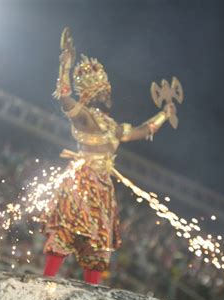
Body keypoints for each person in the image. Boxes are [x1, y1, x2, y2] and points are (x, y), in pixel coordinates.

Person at [41, 28, 179, 284]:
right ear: (96, 94)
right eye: (104, 92)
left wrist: (164, 113)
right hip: (82, 181)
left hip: (103, 188)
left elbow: (141, 131)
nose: (108, 95)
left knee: (98, 242)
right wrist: (66, 66)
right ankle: (46, 281)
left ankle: (92, 294)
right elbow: (64, 97)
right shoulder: (85, 117)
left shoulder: (113, 126)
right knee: (68, 230)